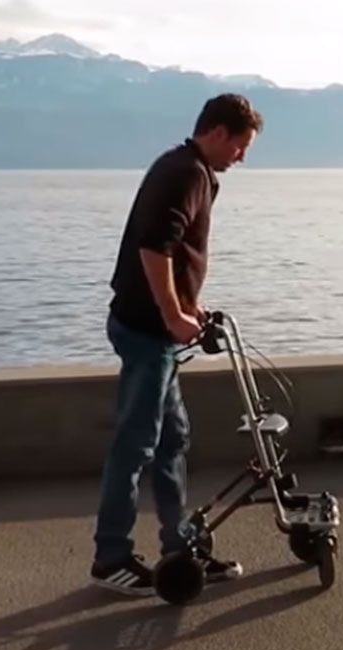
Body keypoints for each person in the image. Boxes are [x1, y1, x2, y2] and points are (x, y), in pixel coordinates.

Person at [90, 93, 264, 596]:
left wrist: (191, 306)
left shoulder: (191, 170)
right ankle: (110, 558)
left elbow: (180, 252)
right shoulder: (185, 172)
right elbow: (155, 246)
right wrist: (172, 314)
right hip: (147, 330)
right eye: (241, 146)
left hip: (158, 329)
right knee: (136, 444)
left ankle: (180, 549)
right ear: (217, 133)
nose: (242, 157)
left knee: (171, 441)